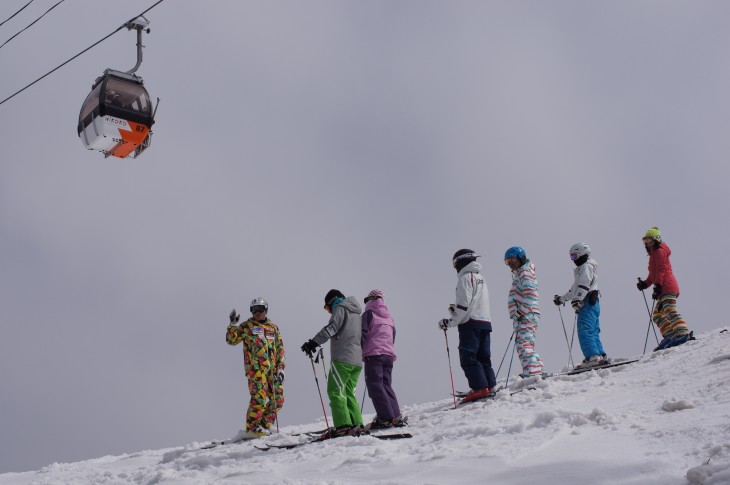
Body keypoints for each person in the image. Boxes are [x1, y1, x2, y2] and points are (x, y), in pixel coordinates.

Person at [301, 289, 365, 438]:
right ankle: (356, 423)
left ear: (333, 301)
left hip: (342, 358)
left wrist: (313, 343)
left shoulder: (341, 308)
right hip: (356, 361)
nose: (330, 312)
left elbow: (332, 328)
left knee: (335, 391)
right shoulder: (356, 313)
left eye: (328, 308)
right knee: (349, 392)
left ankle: (343, 425)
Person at [438, 249, 496, 404]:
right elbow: (473, 302)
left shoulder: (464, 278)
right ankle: (490, 385)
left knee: (468, 356)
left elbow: (463, 306)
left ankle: (479, 388)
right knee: (483, 357)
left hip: (471, 323)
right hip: (485, 322)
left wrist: (449, 321)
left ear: (460, 262)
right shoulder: (480, 278)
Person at [225, 297, 285, 438]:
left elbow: (280, 349)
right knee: (259, 398)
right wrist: (233, 325)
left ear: (266, 310)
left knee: (278, 399)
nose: (257, 312)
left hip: (273, 370)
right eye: (254, 310)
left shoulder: (273, 328)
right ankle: (253, 428)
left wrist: (281, 368)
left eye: (260, 309)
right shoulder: (248, 326)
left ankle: (264, 425)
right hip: (256, 369)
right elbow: (231, 340)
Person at [637, 227, 694, 350]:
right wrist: (645, 284)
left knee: (669, 309)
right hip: (662, 287)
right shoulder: (653, 254)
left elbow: (661, 270)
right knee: (657, 315)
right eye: (645, 241)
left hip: (667, 286)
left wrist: (657, 285)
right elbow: (653, 274)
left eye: (649, 240)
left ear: (656, 240)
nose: (646, 244)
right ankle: (670, 335)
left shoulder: (660, 252)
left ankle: (682, 332)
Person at [553, 243, 610, 368]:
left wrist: (577, 299)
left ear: (582, 255)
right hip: (593, 302)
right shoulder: (584, 268)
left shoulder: (586, 267)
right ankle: (599, 355)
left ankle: (593, 356)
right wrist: (562, 299)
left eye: (574, 256)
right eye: (571, 257)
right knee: (593, 330)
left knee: (585, 330)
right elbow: (574, 289)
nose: (573, 260)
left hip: (587, 301)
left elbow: (584, 284)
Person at [361, 289, 405, 429]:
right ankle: (395, 415)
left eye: (367, 300)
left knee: (375, 386)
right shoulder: (389, 317)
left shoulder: (369, 313)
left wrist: (359, 350)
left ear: (372, 299)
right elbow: (393, 335)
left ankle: (385, 417)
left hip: (374, 354)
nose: (366, 303)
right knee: (385, 384)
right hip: (388, 355)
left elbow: (362, 333)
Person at [504, 246, 545, 378]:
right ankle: (535, 368)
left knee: (523, 344)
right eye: (507, 262)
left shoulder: (524, 273)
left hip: (526, 314)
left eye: (512, 261)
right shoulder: (522, 273)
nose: (510, 264)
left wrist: (520, 312)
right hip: (525, 314)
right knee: (525, 343)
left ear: (521, 259)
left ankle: (533, 372)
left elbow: (531, 295)